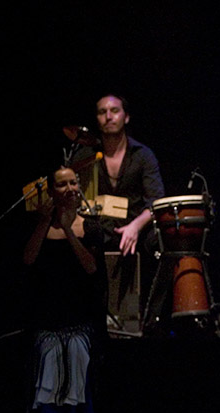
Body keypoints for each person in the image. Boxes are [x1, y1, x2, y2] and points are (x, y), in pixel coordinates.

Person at [22, 166, 107, 413]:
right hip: (47, 321)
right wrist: (46, 222)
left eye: (74, 182)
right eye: (62, 184)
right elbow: (28, 260)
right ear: (51, 191)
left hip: (79, 321)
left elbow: (91, 268)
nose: (70, 188)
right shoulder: (38, 227)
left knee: (76, 355)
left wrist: (69, 229)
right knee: (51, 360)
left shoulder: (91, 227)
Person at [74, 94, 165, 320]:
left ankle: (151, 318)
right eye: (102, 112)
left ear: (126, 117)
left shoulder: (142, 155)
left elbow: (155, 200)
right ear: (96, 119)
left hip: (135, 227)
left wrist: (135, 227)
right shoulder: (85, 155)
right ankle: (86, 315)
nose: (108, 116)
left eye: (114, 111)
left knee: (158, 240)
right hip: (99, 227)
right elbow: (78, 201)